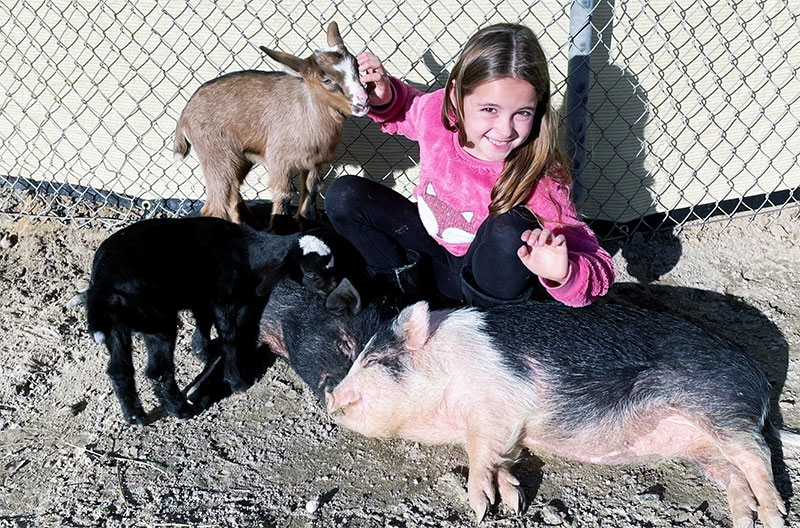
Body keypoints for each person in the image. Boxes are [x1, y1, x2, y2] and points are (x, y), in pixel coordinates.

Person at [325, 23, 614, 307]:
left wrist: (565, 272)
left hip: (485, 284)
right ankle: (401, 294)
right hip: (430, 258)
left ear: (538, 108)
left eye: (523, 113)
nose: (505, 129)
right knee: (344, 195)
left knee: (510, 228)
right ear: (455, 96)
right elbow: (406, 110)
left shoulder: (540, 175)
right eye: (489, 109)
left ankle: (481, 321)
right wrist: (386, 96)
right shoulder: (437, 114)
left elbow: (597, 264)